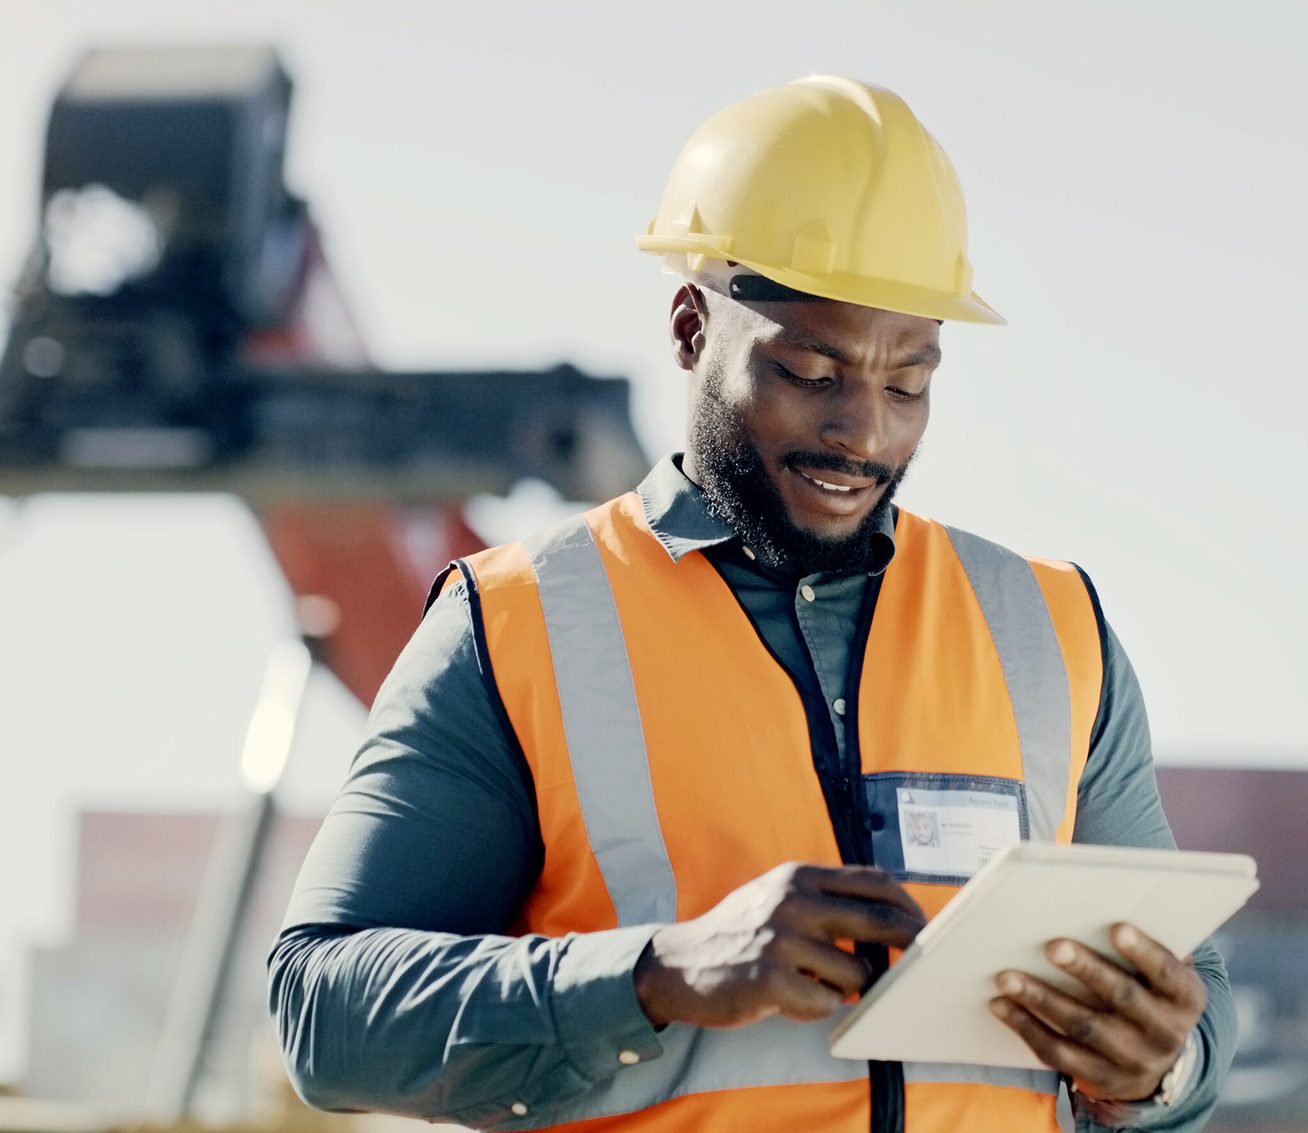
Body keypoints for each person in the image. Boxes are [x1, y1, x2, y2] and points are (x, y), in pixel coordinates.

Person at [269, 75, 1234, 1133]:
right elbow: (323, 1010)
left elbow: (1194, 1017)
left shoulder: (1054, 631)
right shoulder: (515, 625)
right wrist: (653, 972)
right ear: (691, 326)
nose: (864, 430)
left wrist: (1161, 1068)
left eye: (908, 381)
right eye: (812, 370)